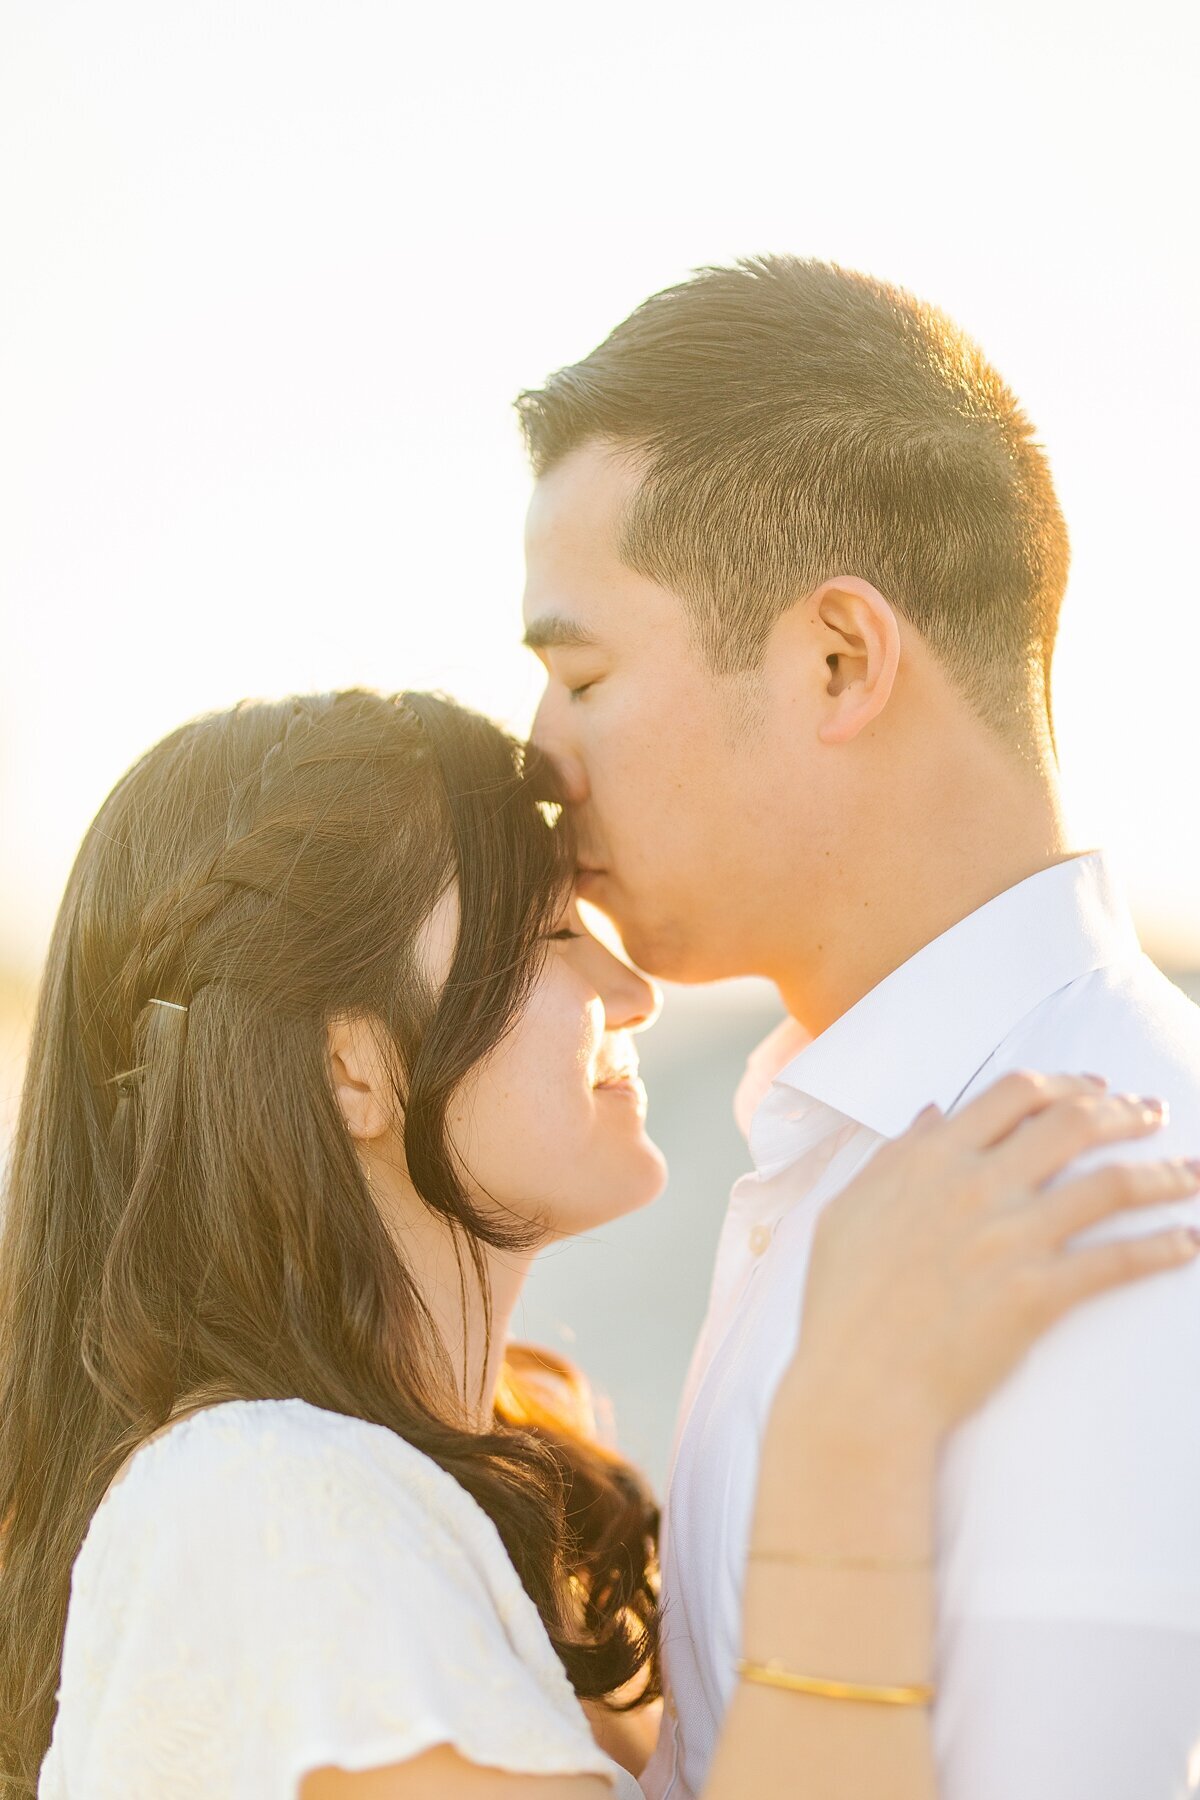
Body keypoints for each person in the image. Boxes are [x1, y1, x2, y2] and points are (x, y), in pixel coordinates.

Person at [1, 687, 1192, 1800]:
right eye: (551, 929)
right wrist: (848, 1434)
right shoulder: (263, 1500)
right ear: (345, 1063)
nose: (633, 992)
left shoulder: (486, 1481)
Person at [517, 255, 1200, 1799]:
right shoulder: (865, 1143)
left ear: (838, 659)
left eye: (581, 674)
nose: (538, 765)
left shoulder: (1108, 1192)